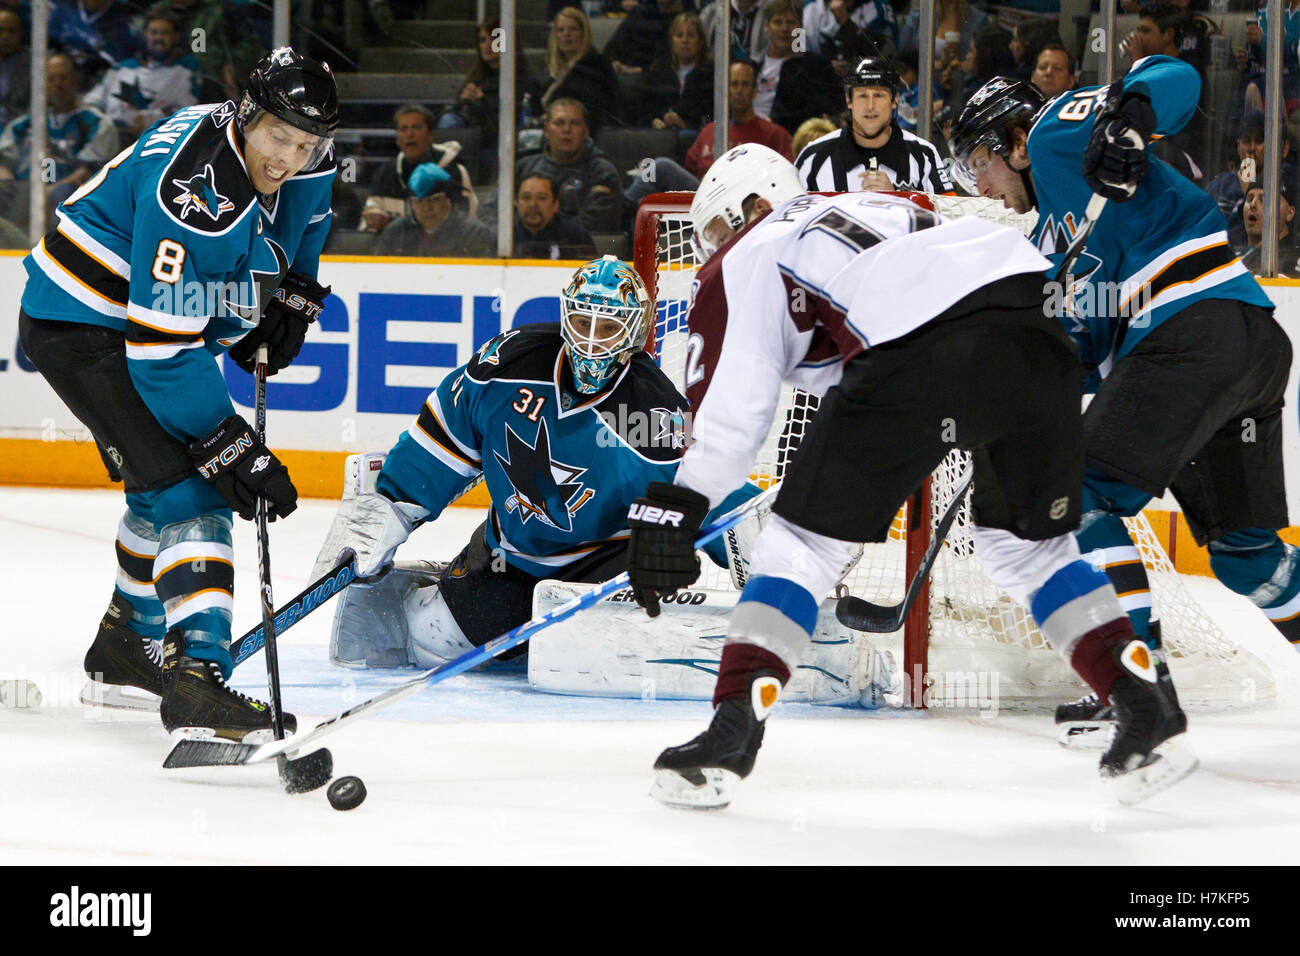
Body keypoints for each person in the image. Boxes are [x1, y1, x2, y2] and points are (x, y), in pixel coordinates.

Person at [624, 144, 1193, 810]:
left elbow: (732, 417)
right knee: (1029, 547)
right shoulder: (886, 205)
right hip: (1033, 325)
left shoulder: (751, 251)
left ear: (754, 206)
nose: (714, 249)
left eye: (717, 228)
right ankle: (1144, 707)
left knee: (799, 548)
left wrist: (678, 504)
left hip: (918, 346)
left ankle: (727, 738)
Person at [950, 63, 1298, 743]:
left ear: (1016, 139)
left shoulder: (1052, 138)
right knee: (1246, 555)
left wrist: (1131, 117)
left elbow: (1172, 76)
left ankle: (1137, 686)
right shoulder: (1054, 250)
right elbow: (1084, 357)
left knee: (1081, 492)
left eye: (981, 162)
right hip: (1242, 347)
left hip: (1194, 329)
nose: (982, 185)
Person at [17, 47, 339, 739]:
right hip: (81, 325)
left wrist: (295, 291)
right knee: (192, 488)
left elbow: (309, 214)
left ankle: (125, 648)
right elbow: (161, 353)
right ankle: (197, 678)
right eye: (278, 137)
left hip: (134, 325)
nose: (288, 158)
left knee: (155, 483)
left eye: (306, 144)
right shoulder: (196, 195)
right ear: (247, 116)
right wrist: (231, 447)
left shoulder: (305, 156)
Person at [309, 256, 747, 670]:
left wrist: (757, 549)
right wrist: (385, 510)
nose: (592, 340)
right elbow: (440, 444)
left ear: (633, 333)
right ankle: (443, 586)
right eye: (581, 321)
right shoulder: (507, 365)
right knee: (432, 641)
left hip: (606, 567)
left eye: (608, 328)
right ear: (565, 316)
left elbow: (708, 492)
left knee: (605, 658)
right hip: (512, 557)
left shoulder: (652, 414)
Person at [795, 56, 953, 194]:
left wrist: (898, 197)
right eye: (862, 96)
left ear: (895, 99)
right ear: (849, 101)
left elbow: (948, 217)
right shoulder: (813, 158)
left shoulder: (924, 155)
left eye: (878, 95)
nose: (870, 106)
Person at [0, 53, 118, 225]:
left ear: (75, 83)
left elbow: (87, 172)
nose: (57, 84)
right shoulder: (24, 124)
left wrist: (47, 191)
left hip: (72, 197)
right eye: (51, 79)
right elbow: (4, 163)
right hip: (25, 193)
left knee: (61, 194)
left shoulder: (96, 123)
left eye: (63, 78)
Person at [82, 12, 202, 140]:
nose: (159, 37)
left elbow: (188, 110)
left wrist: (149, 120)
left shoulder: (186, 67)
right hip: (113, 139)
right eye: (153, 32)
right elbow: (90, 103)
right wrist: (103, 125)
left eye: (165, 33)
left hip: (162, 139)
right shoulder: (123, 67)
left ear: (176, 37)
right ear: (145, 35)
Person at [361, 104, 477, 234]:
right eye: (403, 129)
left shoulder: (454, 172)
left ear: (430, 135)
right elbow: (369, 216)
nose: (409, 134)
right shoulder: (385, 173)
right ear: (397, 139)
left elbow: (467, 225)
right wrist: (374, 220)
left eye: (416, 127)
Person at [516, 98, 623, 234]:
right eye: (559, 123)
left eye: (575, 123)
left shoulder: (602, 173)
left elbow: (594, 225)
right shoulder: (524, 167)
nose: (566, 130)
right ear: (546, 130)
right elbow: (492, 212)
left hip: (578, 251)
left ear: (586, 132)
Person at [751, 0, 842, 135]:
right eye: (777, 22)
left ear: (800, 27)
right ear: (766, 26)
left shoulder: (815, 67)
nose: (784, 29)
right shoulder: (753, 66)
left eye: (791, 22)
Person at [375, 162, 495, 257]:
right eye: (418, 201)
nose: (426, 208)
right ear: (410, 203)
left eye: (434, 199)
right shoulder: (395, 232)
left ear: (448, 199)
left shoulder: (473, 232)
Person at [541, 6, 621, 133]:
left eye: (572, 29)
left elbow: (598, 108)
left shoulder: (597, 65)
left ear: (584, 33)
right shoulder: (551, 72)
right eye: (560, 30)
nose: (566, 34)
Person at [513, 173, 595, 259]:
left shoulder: (575, 236)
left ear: (555, 204)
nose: (532, 204)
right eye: (526, 197)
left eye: (541, 198)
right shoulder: (505, 235)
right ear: (516, 202)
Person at [1238, 179, 1300, 276]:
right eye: (1249, 199)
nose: (1252, 205)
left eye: (1264, 200)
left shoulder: (1293, 261)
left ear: (1289, 213)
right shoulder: (1244, 256)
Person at [0, 8, 30, 129]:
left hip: (17, 131)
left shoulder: (35, 64)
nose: (5, 37)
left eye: (11, 31)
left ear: (21, 34)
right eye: (0, 31)